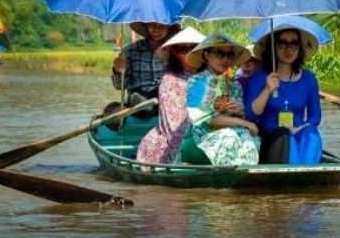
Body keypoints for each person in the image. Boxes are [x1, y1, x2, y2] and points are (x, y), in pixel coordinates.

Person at [244, 27, 324, 164]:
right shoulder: (259, 77)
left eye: (294, 44)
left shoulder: (309, 79)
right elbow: (251, 115)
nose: (288, 50)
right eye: (282, 44)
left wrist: (298, 129)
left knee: (312, 134)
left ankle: (307, 172)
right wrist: (267, 90)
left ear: (299, 48)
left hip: (298, 131)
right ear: (273, 47)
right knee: (284, 136)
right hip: (271, 138)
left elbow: (315, 116)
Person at [180, 32, 259, 165]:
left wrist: (238, 113)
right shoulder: (196, 82)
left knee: (249, 140)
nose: (225, 59)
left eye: (229, 55)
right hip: (200, 139)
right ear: (207, 55)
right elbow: (209, 119)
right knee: (230, 138)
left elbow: (240, 118)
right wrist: (243, 123)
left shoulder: (235, 85)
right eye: (219, 54)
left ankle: (243, 182)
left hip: (230, 132)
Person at [135, 27, 206, 165]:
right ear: (174, 52)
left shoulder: (211, 76)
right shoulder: (170, 81)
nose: (188, 53)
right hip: (175, 141)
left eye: (193, 48)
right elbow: (174, 130)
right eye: (182, 49)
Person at [111, 21, 180, 106]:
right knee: (115, 106)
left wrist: (166, 61)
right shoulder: (130, 50)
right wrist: (118, 71)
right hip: (137, 97)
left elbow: (182, 79)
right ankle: (143, 104)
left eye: (162, 26)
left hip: (165, 98)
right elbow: (119, 86)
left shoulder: (174, 50)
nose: (156, 30)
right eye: (153, 25)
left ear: (168, 29)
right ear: (147, 26)